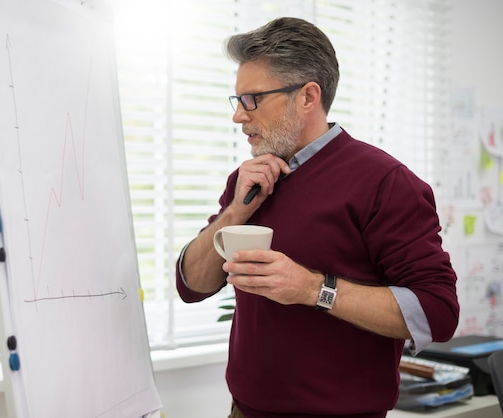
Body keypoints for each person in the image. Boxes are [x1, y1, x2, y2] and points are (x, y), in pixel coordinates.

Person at [175, 17, 459, 418]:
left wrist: (313, 289)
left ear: (308, 97)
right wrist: (236, 210)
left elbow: (437, 312)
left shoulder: (384, 182)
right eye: (237, 100)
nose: (239, 116)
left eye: (252, 99)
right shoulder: (249, 181)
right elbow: (192, 285)